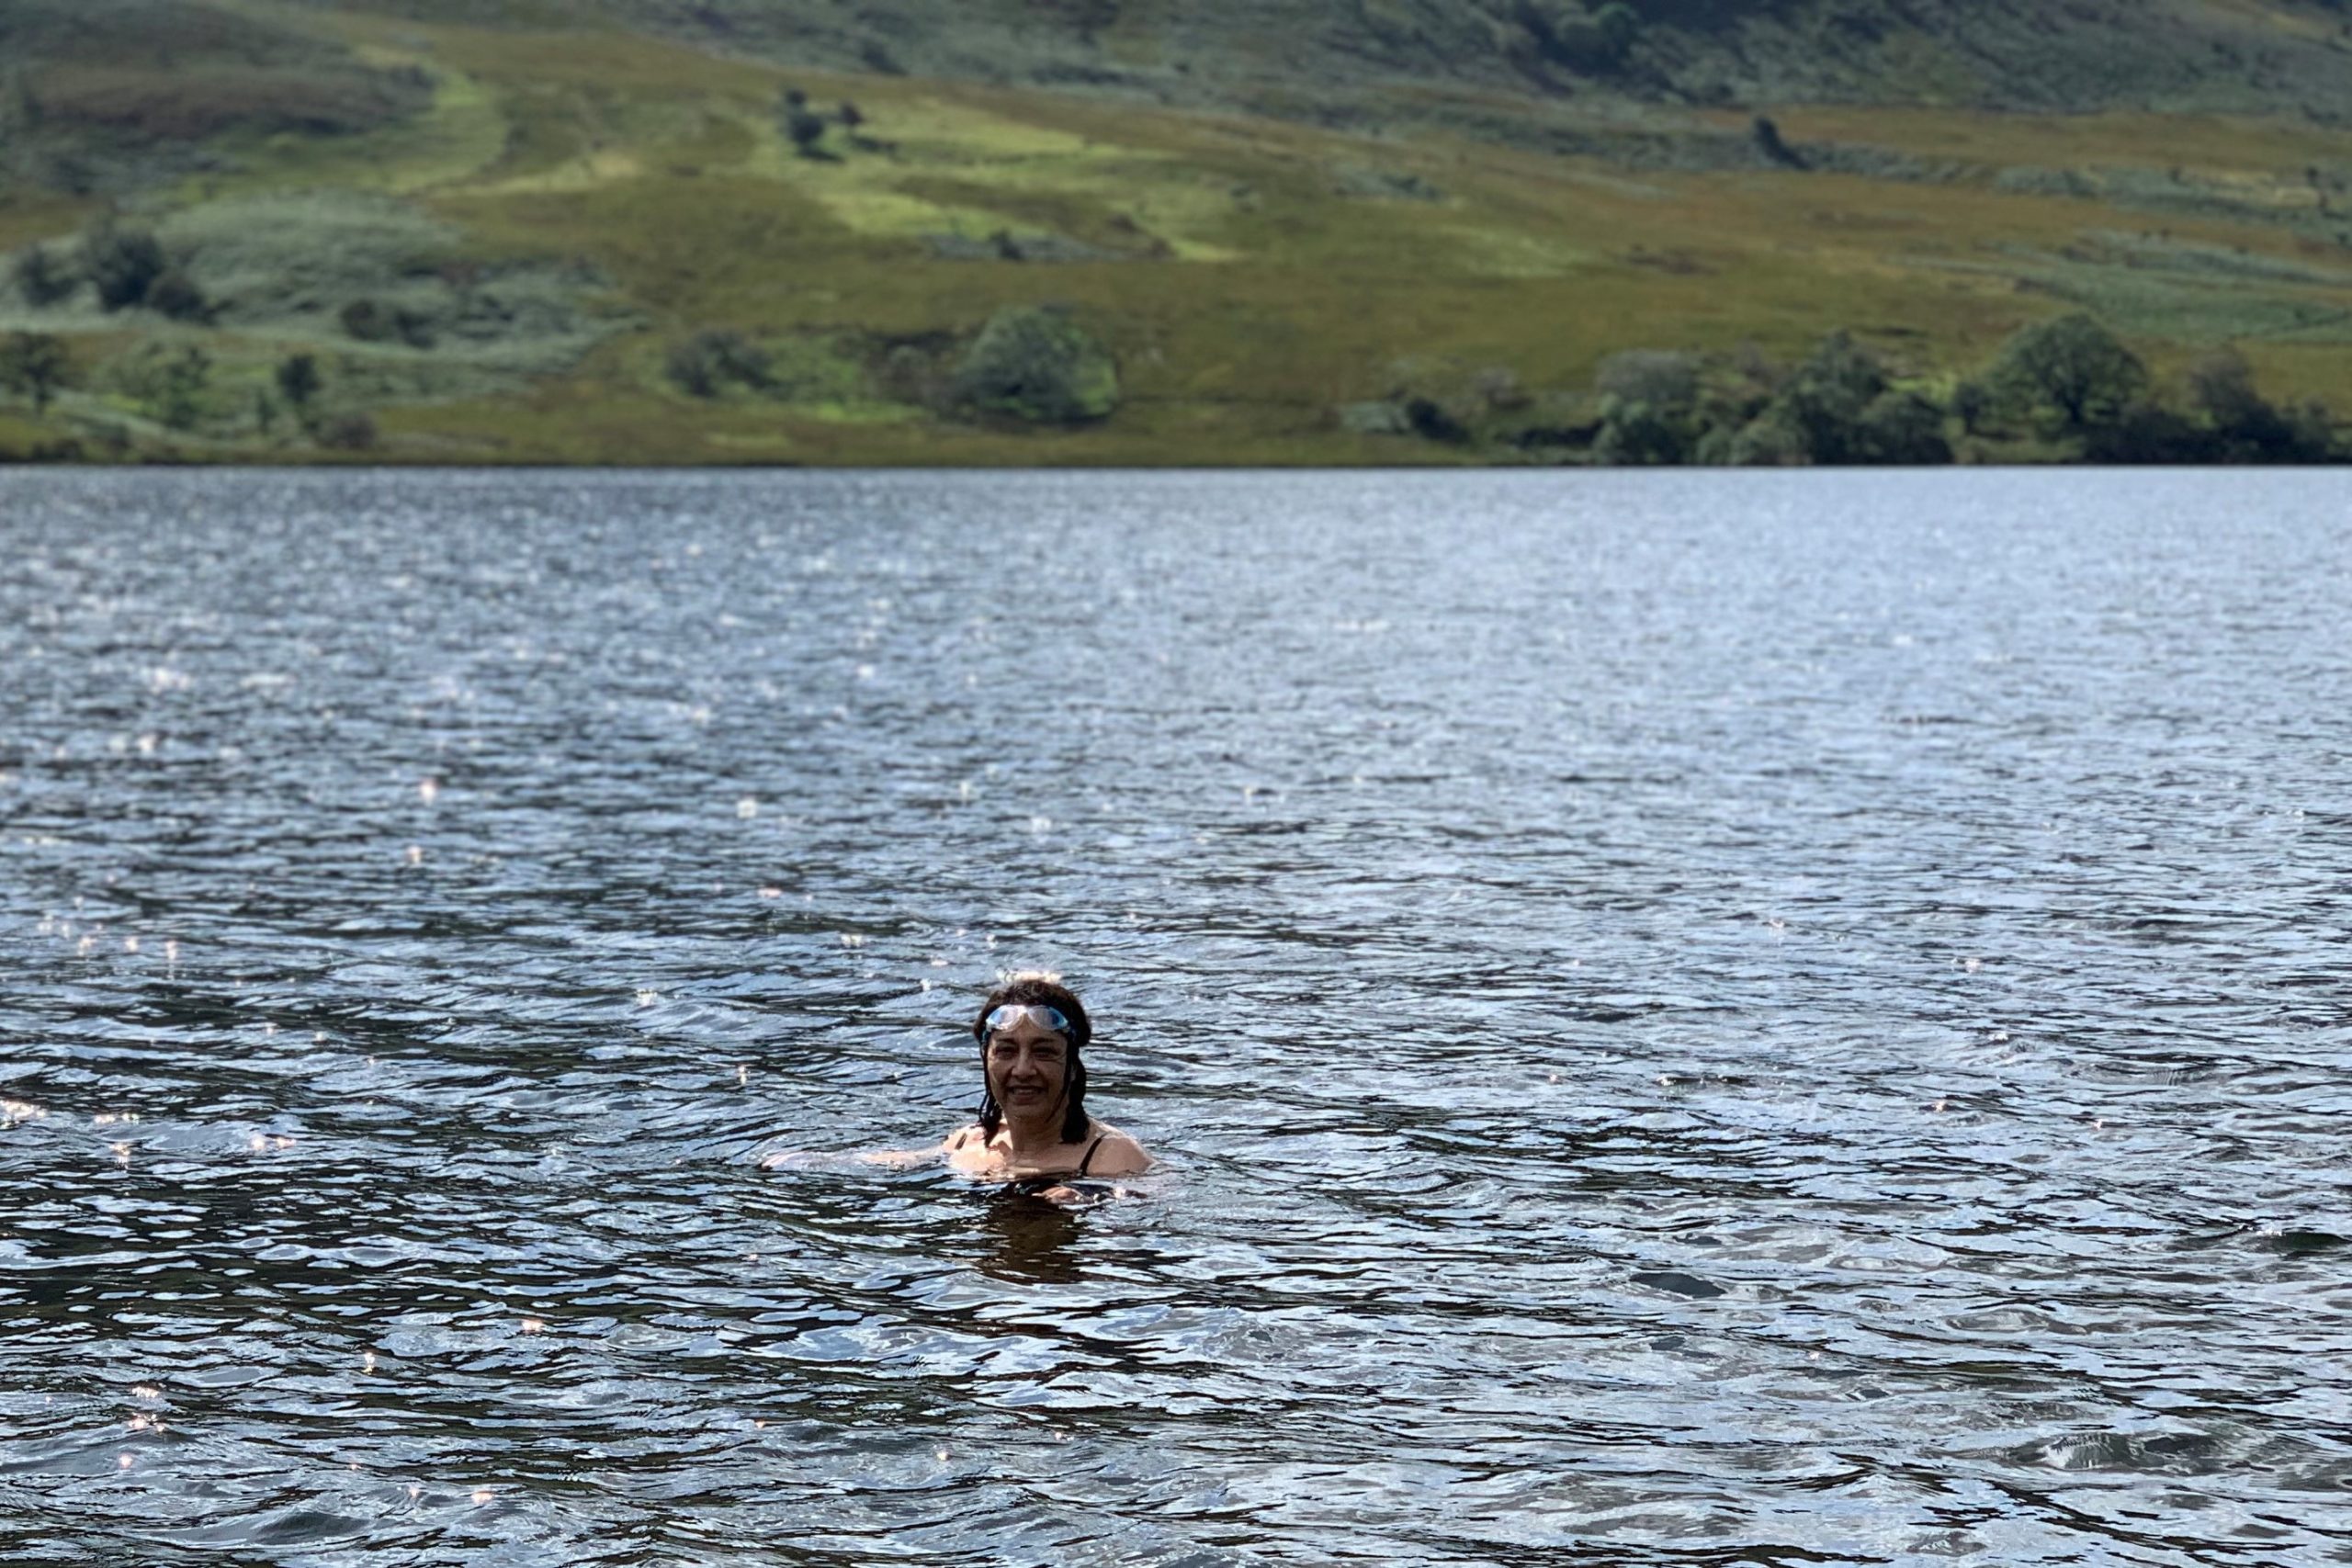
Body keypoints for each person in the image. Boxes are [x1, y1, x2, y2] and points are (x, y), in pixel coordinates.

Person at [942, 973, 1150, 1191]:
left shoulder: (1113, 1158)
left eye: (1043, 1052)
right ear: (986, 1060)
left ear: (1072, 1066)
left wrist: (1090, 1200)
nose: (1022, 1070)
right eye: (1006, 1051)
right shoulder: (967, 1142)